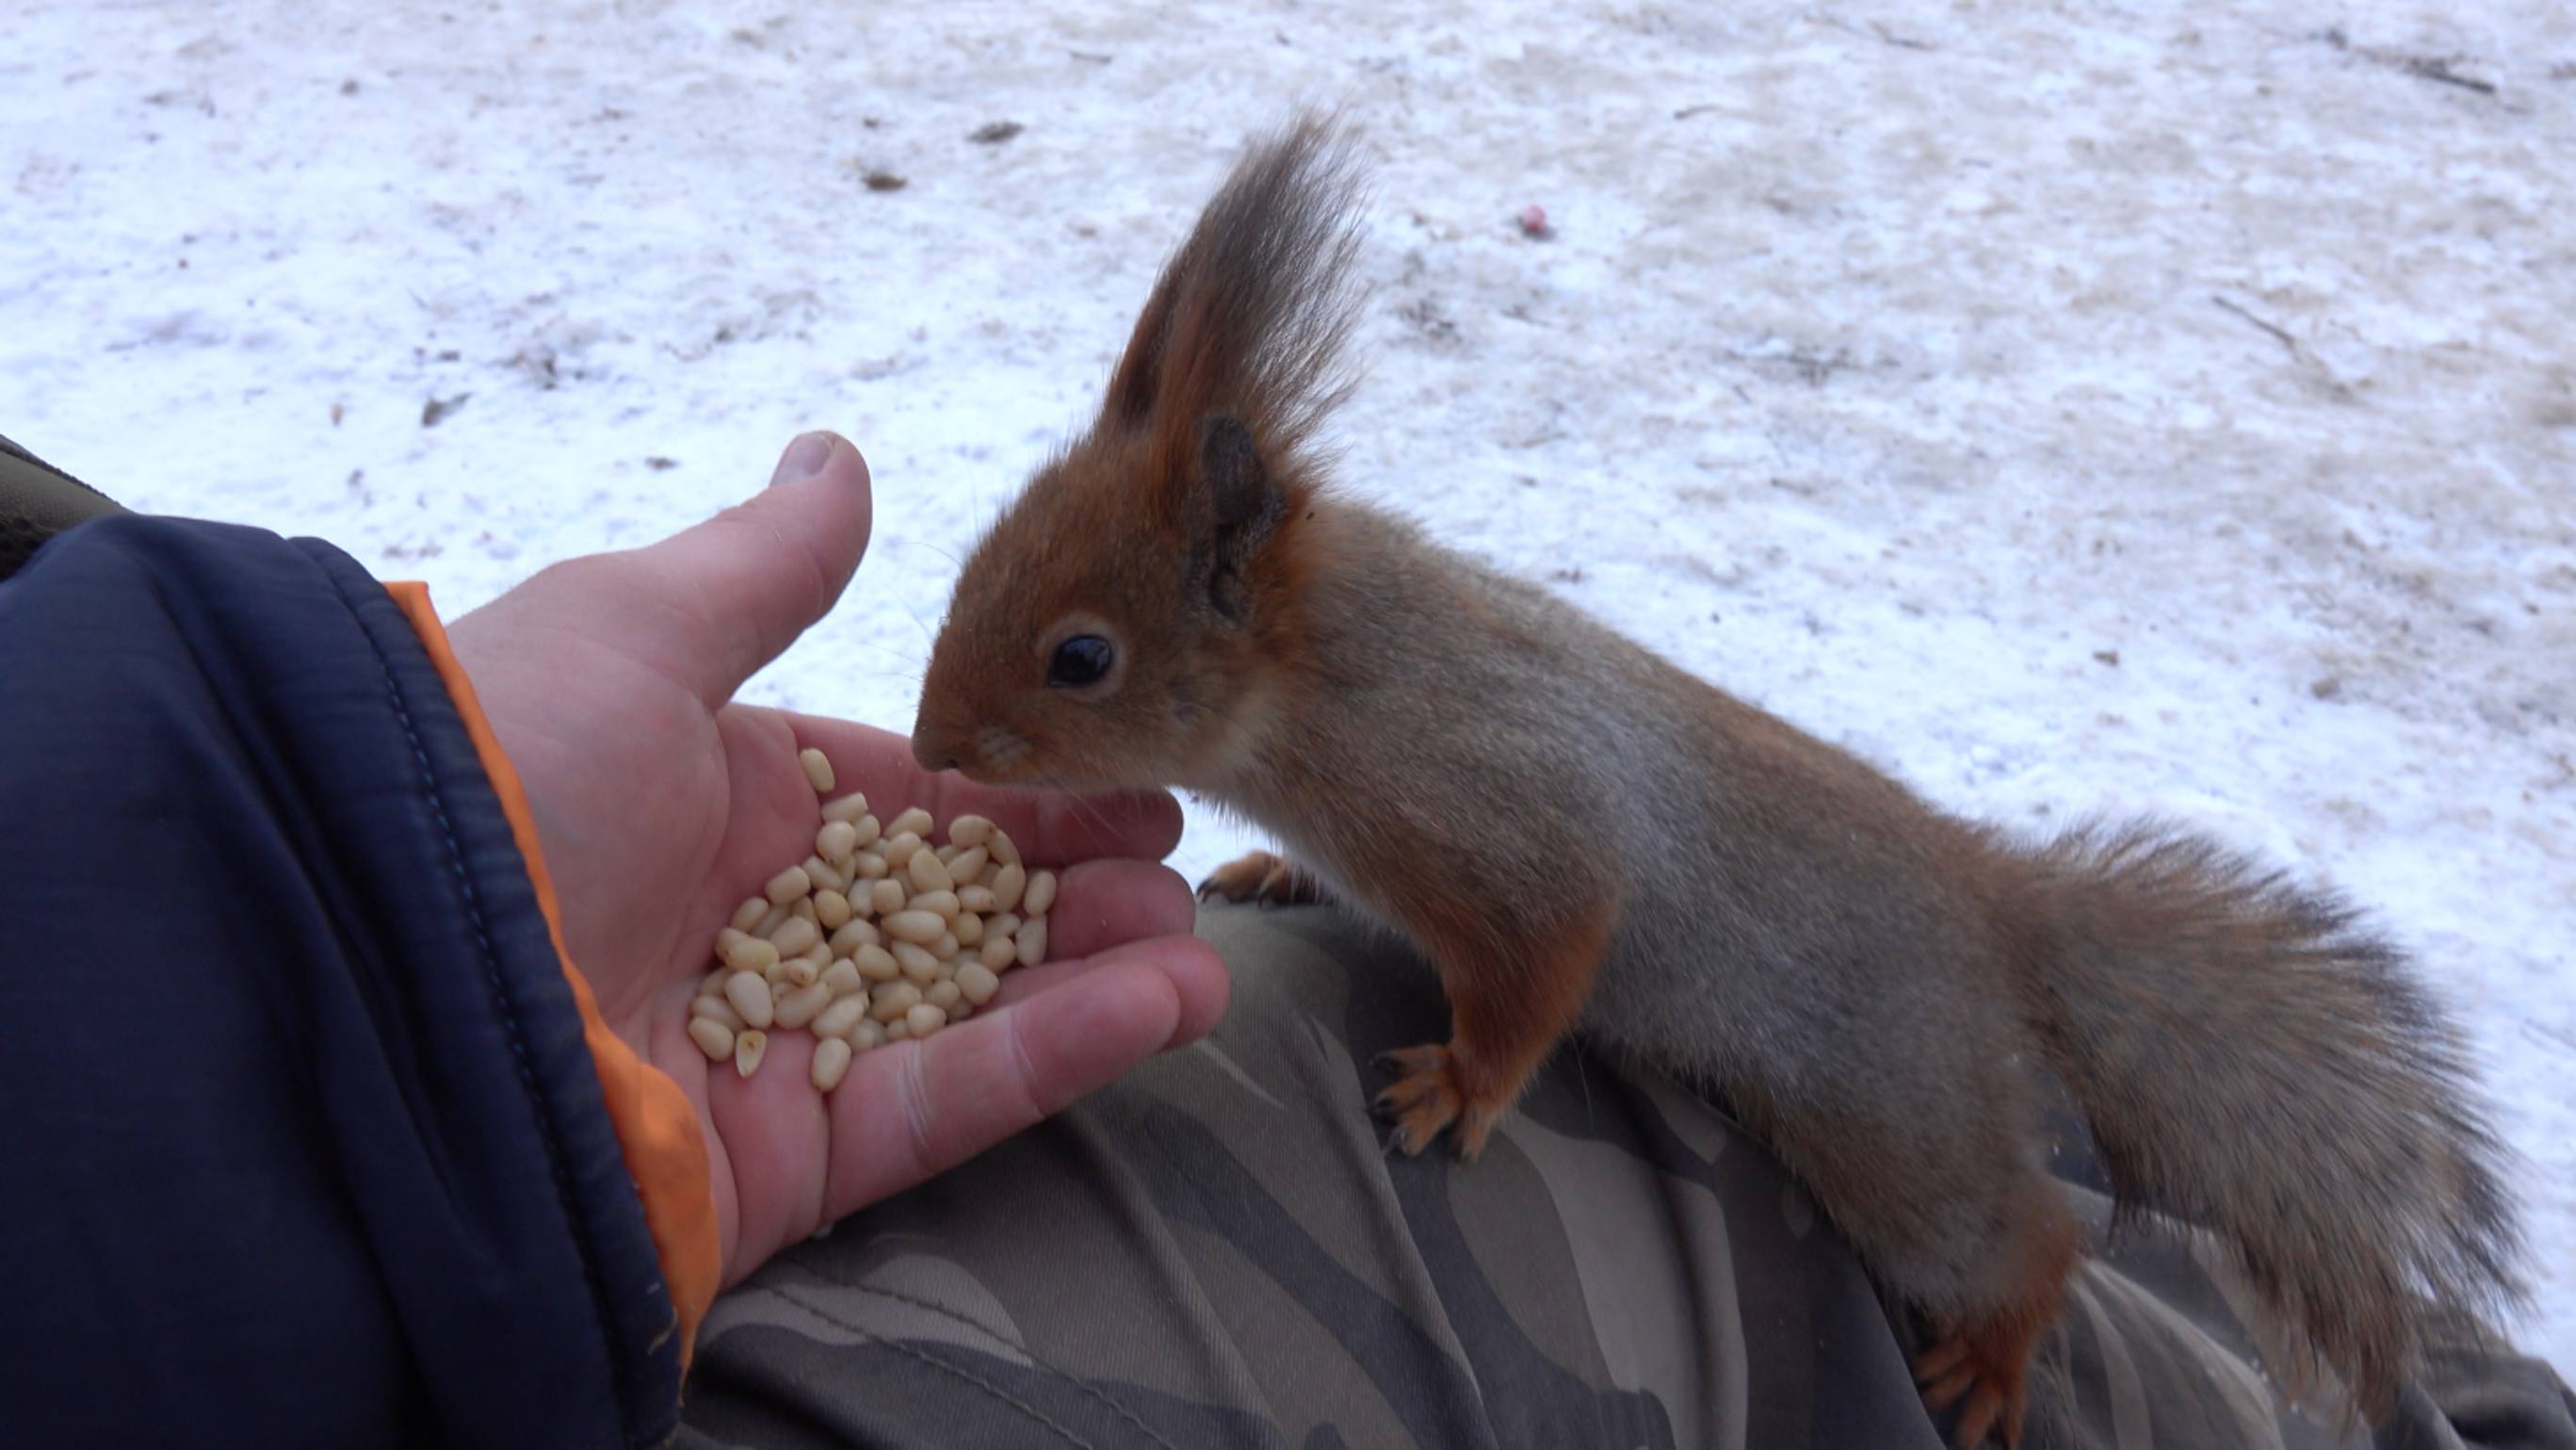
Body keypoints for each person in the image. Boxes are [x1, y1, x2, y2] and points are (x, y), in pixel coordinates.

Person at [1, 432, 2567, 1449]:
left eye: (1079, 674)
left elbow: (1547, 911)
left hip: (1843, 1003)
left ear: (1233, 623)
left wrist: (1474, 1054)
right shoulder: (1316, 743)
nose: (1001, 733)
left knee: (1919, 1206)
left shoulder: (1386, 729)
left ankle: (2058, 1284)